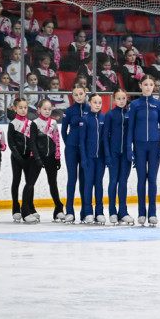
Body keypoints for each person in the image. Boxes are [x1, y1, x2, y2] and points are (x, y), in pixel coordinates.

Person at [126, 76, 160, 225]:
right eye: (146, 84)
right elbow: (130, 127)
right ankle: (141, 213)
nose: (148, 87)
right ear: (140, 86)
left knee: (152, 180)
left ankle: (153, 213)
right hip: (139, 146)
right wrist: (129, 148)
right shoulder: (135, 104)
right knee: (141, 179)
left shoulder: (159, 104)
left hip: (155, 146)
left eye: (151, 84)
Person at [8, 98, 44, 223]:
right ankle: (15, 208)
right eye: (20, 107)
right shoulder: (13, 124)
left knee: (30, 183)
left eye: (25, 107)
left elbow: (33, 141)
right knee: (16, 181)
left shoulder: (31, 124)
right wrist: (19, 158)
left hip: (29, 157)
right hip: (17, 158)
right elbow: (11, 144)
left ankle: (30, 207)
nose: (23, 110)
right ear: (15, 109)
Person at [104, 89, 134, 225]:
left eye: (123, 98)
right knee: (113, 181)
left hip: (126, 154)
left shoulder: (130, 114)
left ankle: (123, 212)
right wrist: (107, 155)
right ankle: (112, 211)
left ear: (126, 99)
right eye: (118, 98)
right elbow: (105, 137)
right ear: (114, 100)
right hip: (114, 153)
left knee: (123, 182)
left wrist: (132, 152)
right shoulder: (110, 114)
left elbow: (133, 135)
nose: (121, 101)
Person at [61, 85, 90, 223]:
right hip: (72, 149)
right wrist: (69, 143)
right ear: (72, 96)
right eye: (76, 94)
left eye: (81, 94)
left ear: (85, 94)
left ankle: (85, 212)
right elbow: (63, 130)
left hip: (86, 150)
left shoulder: (90, 109)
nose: (79, 97)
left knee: (84, 180)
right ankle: (69, 211)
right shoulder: (69, 111)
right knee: (72, 179)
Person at [33, 99, 64, 221]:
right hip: (37, 158)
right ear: (39, 110)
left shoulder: (53, 123)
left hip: (50, 157)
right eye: (44, 109)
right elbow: (32, 142)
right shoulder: (34, 123)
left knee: (53, 183)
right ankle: (29, 208)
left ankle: (59, 208)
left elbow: (56, 140)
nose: (47, 111)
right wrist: (35, 157)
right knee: (31, 183)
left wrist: (57, 157)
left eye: (49, 109)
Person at [80, 93, 107, 224]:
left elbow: (105, 139)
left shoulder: (103, 118)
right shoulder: (85, 119)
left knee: (99, 184)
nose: (97, 105)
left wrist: (106, 156)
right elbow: (82, 141)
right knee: (88, 184)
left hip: (100, 158)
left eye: (99, 103)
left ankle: (99, 212)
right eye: (95, 102)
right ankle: (88, 212)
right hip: (89, 158)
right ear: (89, 103)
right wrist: (84, 158)